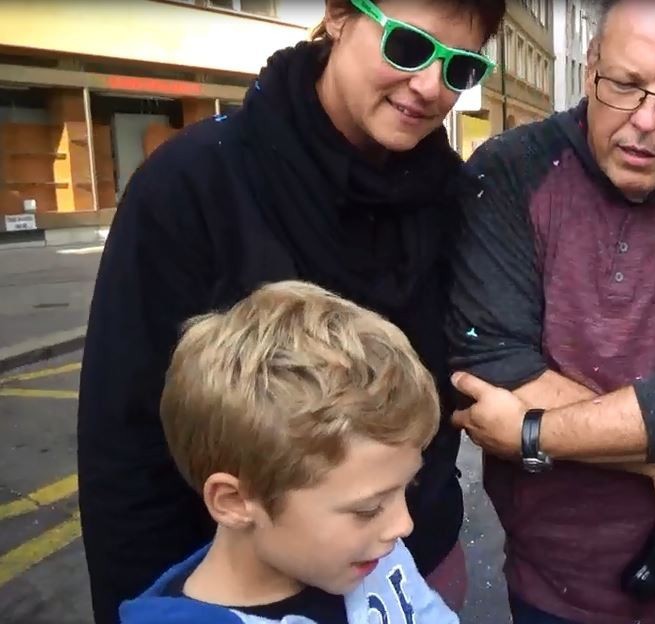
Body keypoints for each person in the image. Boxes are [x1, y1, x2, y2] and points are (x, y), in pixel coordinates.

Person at [76, 1, 505, 621]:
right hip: (239, 591)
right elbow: (127, 441)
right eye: (408, 47)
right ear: (337, 16)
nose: (431, 87)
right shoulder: (194, 183)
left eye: (460, 68)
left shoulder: (449, 195)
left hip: (415, 569)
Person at [444, 0, 655, 622]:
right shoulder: (511, 170)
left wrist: (530, 431)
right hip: (541, 574)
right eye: (624, 84)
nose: (645, 120)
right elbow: (494, 364)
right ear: (591, 65)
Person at [118, 281, 456, 624]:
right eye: (367, 510)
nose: (403, 525)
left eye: (407, 487)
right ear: (234, 501)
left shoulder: (372, 558)